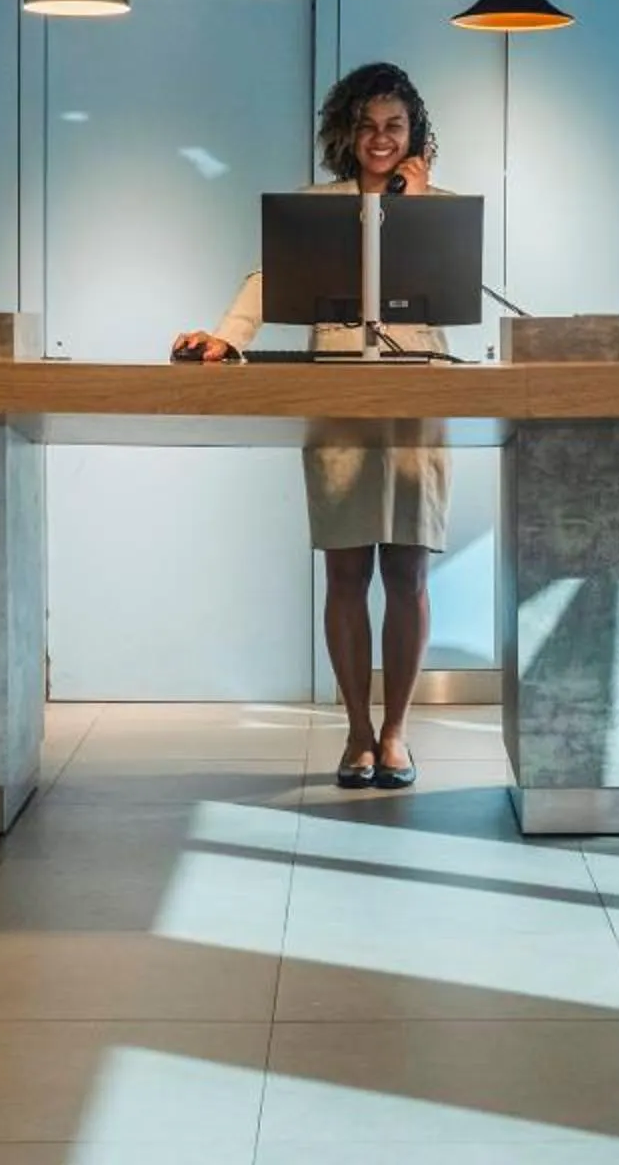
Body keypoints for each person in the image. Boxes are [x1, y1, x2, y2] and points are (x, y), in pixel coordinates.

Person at [173, 62, 450, 791]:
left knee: (410, 569)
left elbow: (443, 296)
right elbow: (267, 276)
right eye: (367, 125)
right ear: (346, 133)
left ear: (414, 134)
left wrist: (412, 211)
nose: (380, 139)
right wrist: (229, 337)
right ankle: (358, 732)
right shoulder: (317, 207)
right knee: (347, 567)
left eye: (394, 126)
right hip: (334, 391)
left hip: (418, 394)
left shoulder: (441, 206)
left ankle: (397, 734)